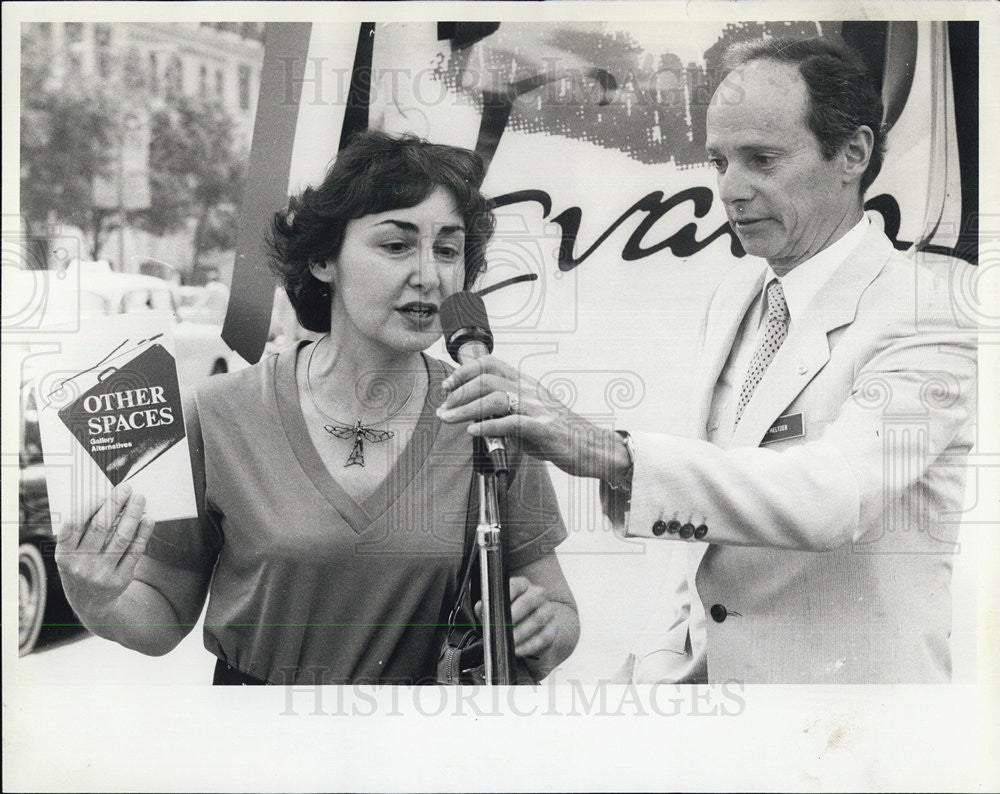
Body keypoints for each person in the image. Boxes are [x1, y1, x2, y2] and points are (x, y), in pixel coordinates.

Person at [438, 37, 977, 684]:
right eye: (719, 160)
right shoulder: (734, 296)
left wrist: (611, 452)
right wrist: (652, 677)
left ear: (854, 155)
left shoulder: (930, 310)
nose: (730, 189)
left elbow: (834, 497)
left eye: (762, 160)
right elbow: (700, 534)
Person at [55, 132, 579, 685]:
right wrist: (97, 600)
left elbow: (561, 616)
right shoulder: (217, 414)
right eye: (396, 245)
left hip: (422, 753)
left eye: (448, 250)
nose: (429, 274)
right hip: (262, 748)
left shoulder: (489, 415)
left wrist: (543, 628)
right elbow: (163, 614)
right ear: (324, 259)